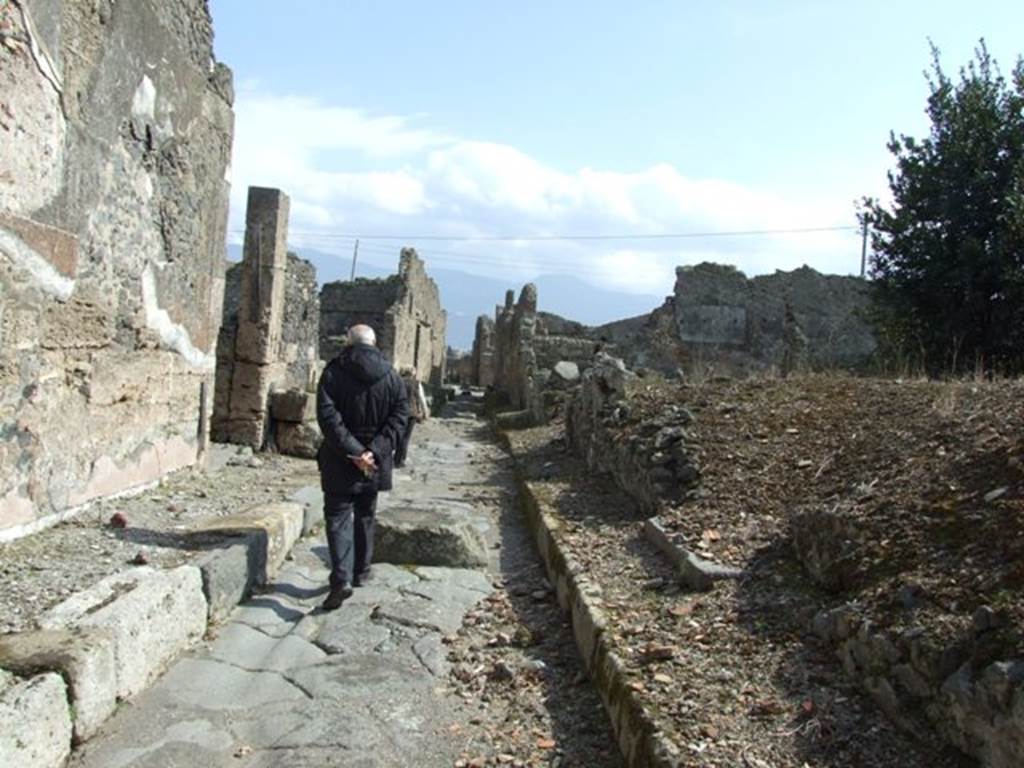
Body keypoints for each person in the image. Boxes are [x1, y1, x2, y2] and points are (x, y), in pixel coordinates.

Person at [315, 324, 408, 610]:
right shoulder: (392, 377)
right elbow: (400, 417)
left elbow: (327, 417)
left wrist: (354, 451)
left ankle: (341, 579)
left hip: (339, 459)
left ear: (348, 342)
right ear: (374, 343)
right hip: (374, 463)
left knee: (338, 517)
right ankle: (362, 571)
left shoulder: (333, 372)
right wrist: (374, 451)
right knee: (366, 514)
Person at [394, 366, 429, 468]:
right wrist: (425, 411)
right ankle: (401, 460)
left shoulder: (398, 382)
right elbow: (421, 398)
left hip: (399, 412)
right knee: (406, 437)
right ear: (412, 373)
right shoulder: (416, 383)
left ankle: (396, 458)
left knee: (399, 435)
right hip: (412, 413)